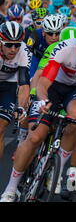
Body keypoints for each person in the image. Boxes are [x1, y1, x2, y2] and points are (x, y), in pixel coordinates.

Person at [0, 19, 76, 202]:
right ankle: (11, 188)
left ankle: (57, 170)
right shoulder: (64, 48)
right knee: (36, 136)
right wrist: (43, 100)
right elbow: (44, 82)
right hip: (54, 86)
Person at [0, 22, 31, 159]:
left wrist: (21, 108)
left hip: (9, 85)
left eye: (17, 44)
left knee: (0, 128)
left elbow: (24, 84)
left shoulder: (24, 52)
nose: (13, 49)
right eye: (8, 44)